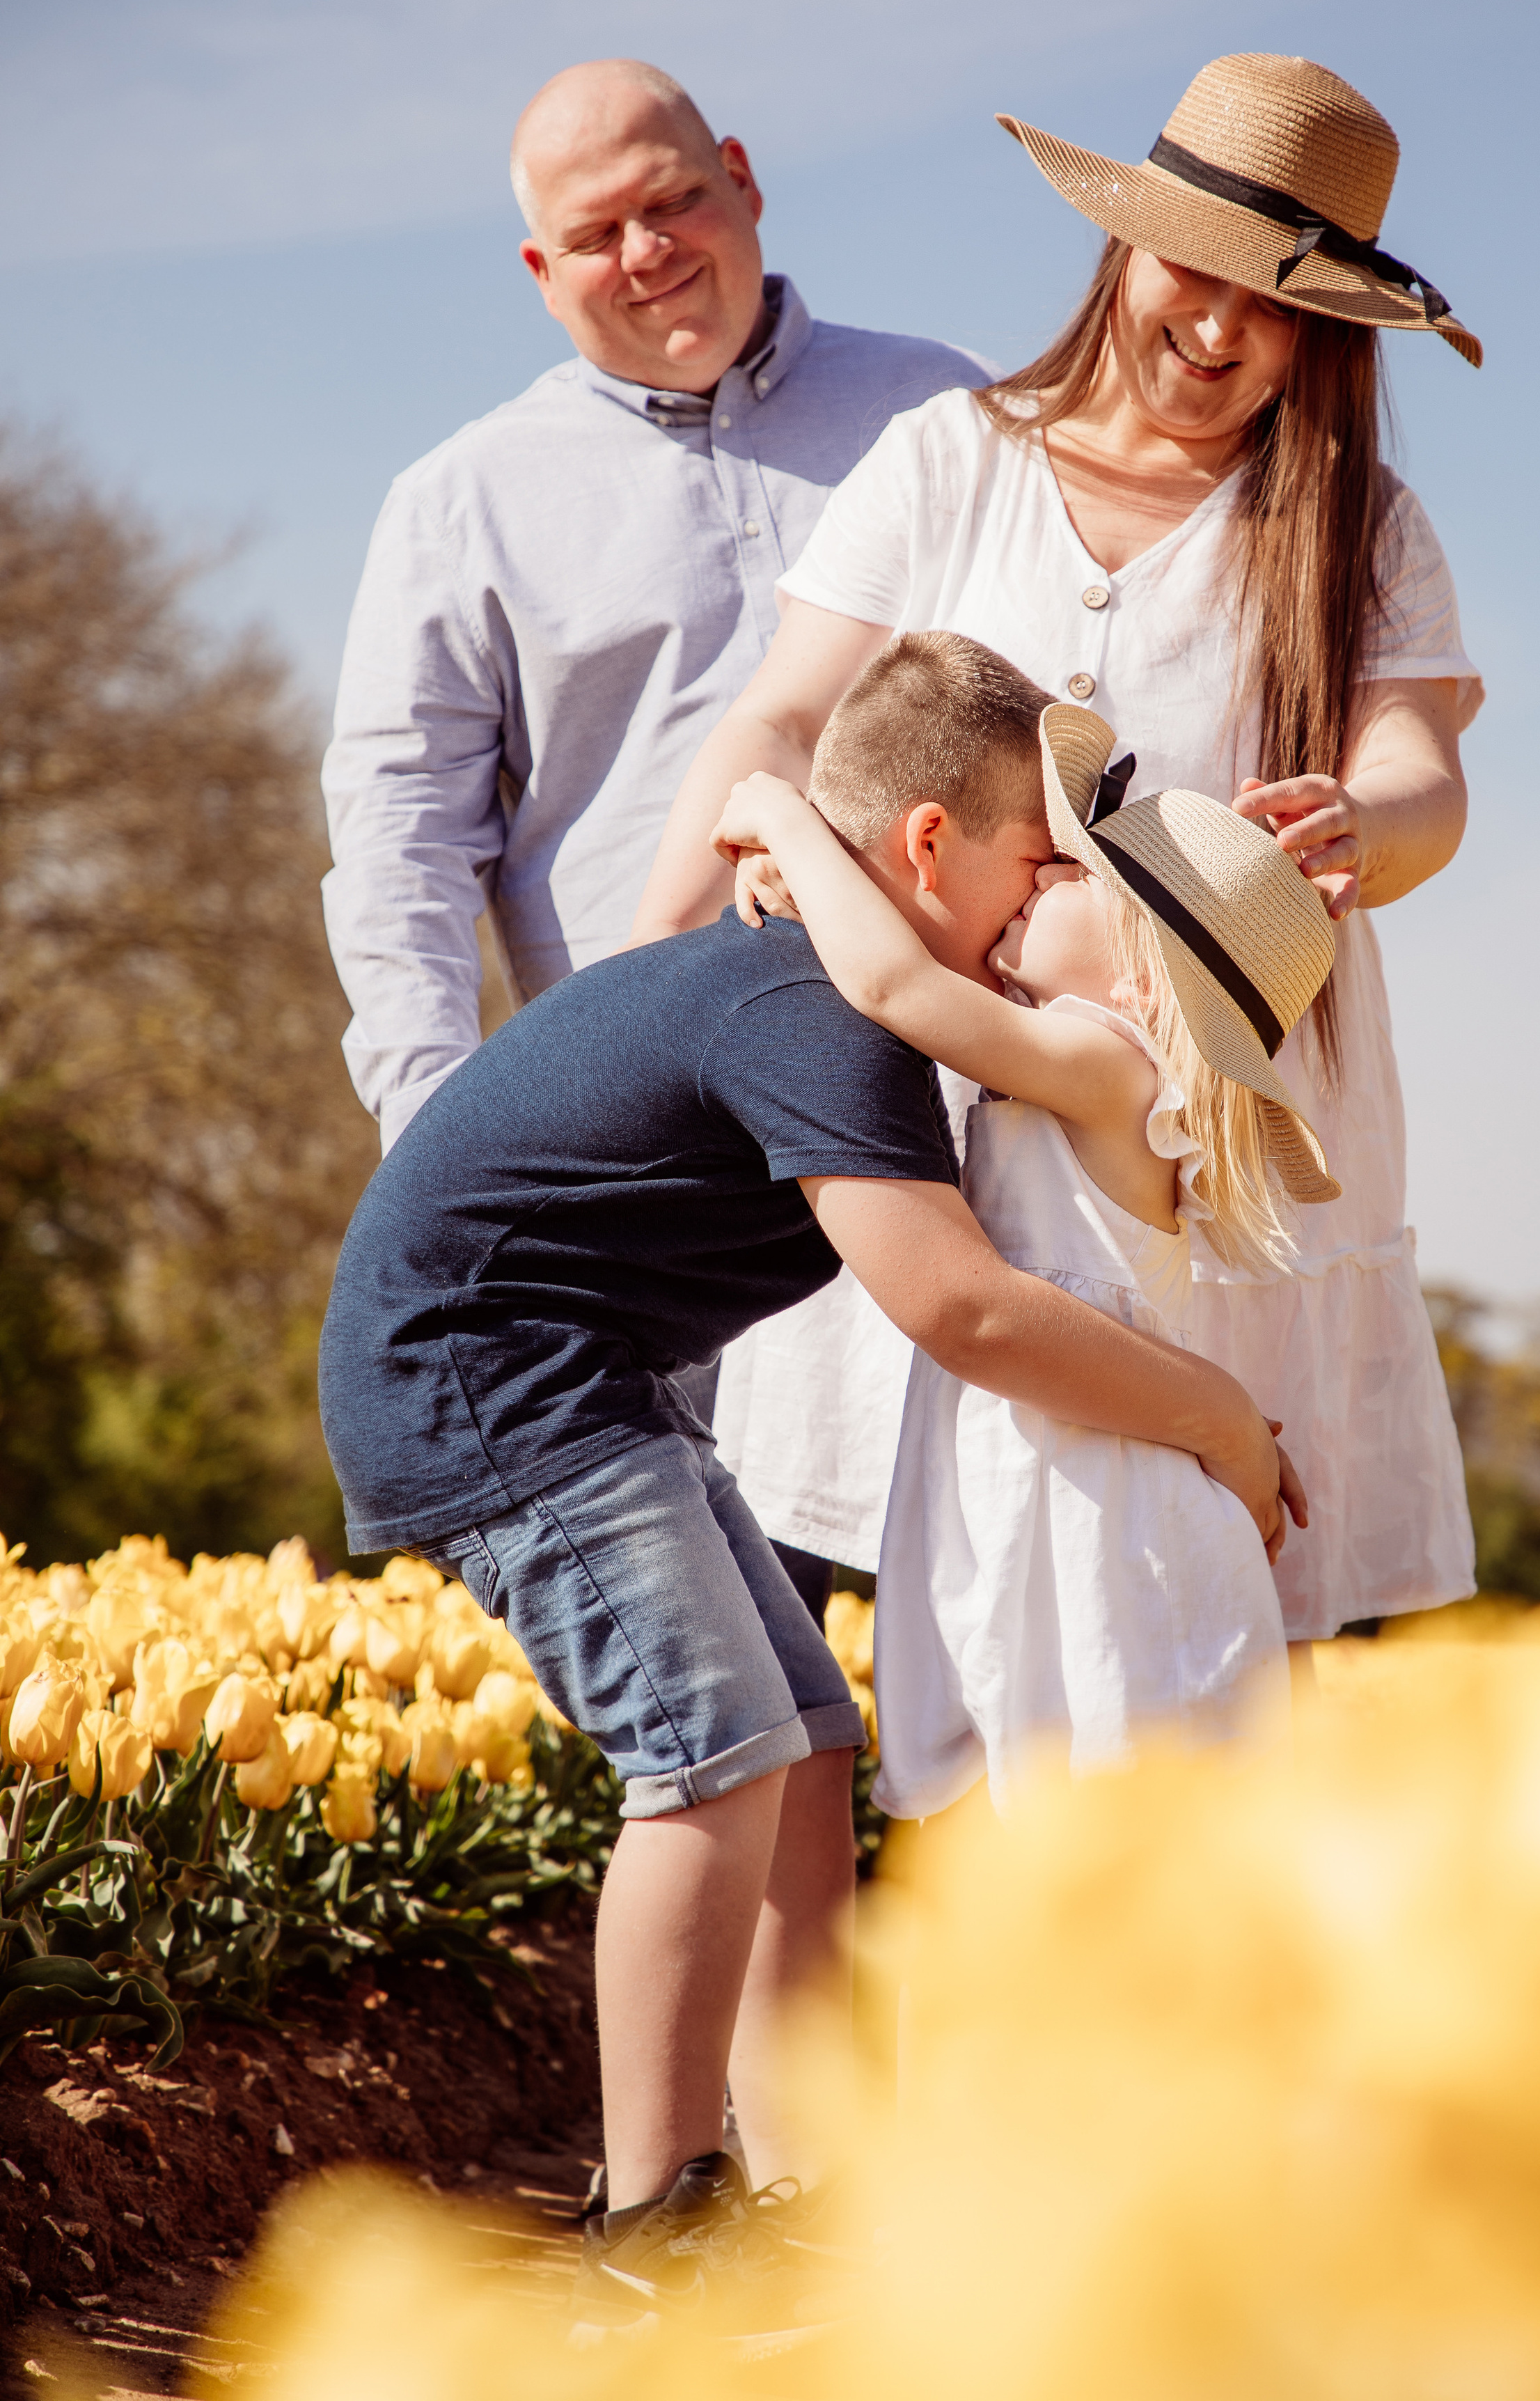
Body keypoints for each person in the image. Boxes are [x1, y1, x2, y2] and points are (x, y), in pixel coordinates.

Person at [316, 634, 1303, 2320]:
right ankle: (653, 2216)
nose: (1046, 888)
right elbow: (958, 1304)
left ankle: (800, 2184)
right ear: (927, 846)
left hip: (578, 1377)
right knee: (712, 1750)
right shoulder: (814, 1010)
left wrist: (778, 808)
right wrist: (1215, 1420)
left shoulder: (837, 986)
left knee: (802, 1742)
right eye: (1035, 857)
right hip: (497, 1381)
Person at [631, 50, 1484, 1644]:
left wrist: (1362, 818)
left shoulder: (1360, 526)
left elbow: (1418, 769)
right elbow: (778, 721)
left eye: (1277, 301)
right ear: (1123, 244)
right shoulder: (947, 459)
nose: (1223, 328)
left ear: (1331, 332)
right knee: (892, 1656)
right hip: (912, 1112)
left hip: (1198, 1142)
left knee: (1207, 1631)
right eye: (1196, 270)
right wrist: (636, 987)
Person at [318, 56, 986, 1617]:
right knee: (755, 1718)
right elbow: (402, 848)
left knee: (997, 1630)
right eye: (596, 231)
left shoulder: (952, 411)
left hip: (966, 1116)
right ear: (539, 270)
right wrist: (442, 1133)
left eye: (673, 198)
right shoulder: (455, 507)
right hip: (653, 1179)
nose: (647, 252)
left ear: (741, 177)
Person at [711, 697, 1333, 1814]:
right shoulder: (1069, 1059)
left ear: (1147, 982)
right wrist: (816, 887)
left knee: (1092, 1805)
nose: (1043, 872)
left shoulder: (1115, 1066)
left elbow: (896, 987)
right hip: (1041, 1459)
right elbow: (897, 961)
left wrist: (786, 819)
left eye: (1078, 875)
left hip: (1099, 1499)